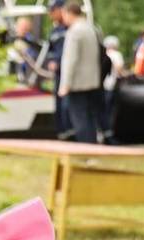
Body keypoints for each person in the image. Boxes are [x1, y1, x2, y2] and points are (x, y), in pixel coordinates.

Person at [57, 1, 102, 144]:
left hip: (77, 83)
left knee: (79, 119)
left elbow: (70, 59)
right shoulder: (92, 29)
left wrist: (65, 84)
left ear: (70, 13)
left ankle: (85, 150)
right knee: (90, 118)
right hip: (92, 81)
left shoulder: (74, 32)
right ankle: (92, 147)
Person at [43, 0, 72, 140]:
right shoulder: (54, 31)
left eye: (52, 10)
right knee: (59, 107)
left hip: (70, 75)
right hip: (58, 76)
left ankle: (72, 137)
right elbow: (50, 51)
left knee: (68, 107)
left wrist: (58, 61)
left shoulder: (71, 29)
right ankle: (62, 137)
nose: (50, 14)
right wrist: (51, 61)